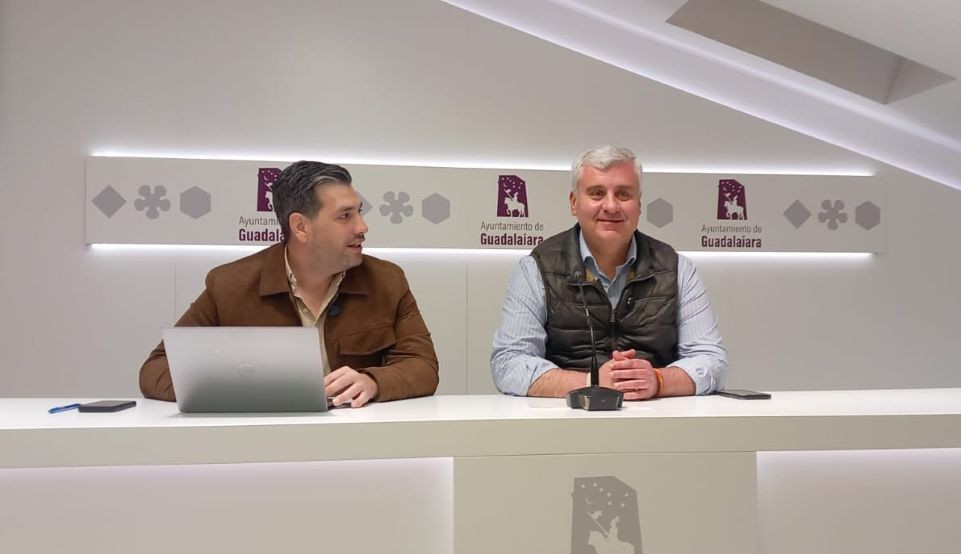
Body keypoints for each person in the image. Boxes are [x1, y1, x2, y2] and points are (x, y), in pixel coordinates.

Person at [140, 161, 438, 407]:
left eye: (359, 212)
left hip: (359, 443)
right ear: (300, 227)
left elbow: (423, 366)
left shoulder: (387, 280)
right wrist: (248, 389)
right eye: (345, 216)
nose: (362, 227)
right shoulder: (229, 284)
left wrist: (372, 382)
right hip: (263, 445)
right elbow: (156, 370)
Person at [491, 145, 726, 399]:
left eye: (624, 194)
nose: (611, 206)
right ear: (574, 202)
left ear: (639, 204)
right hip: (566, 424)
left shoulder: (677, 268)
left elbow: (712, 359)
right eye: (597, 193)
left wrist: (658, 380)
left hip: (657, 424)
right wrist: (592, 381)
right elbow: (508, 363)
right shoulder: (536, 267)